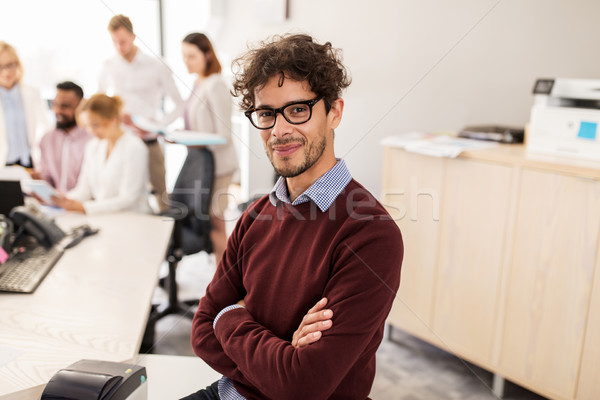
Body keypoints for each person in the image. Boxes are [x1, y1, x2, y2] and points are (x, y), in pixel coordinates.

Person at [184, 34, 403, 400]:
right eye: (267, 114)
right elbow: (202, 332)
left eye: (298, 110)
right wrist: (281, 359)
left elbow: (303, 385)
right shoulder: (255, 216)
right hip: (227, 394)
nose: (279, 130)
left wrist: (231, 317)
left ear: (334, 112)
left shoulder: (371, 234)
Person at [98, 14, 184, 212]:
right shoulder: (108, 67)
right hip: (121, 143)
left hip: (149, 141)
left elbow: (179, 105)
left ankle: (169, 241)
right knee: (124, 197)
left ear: (133, 37)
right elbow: (100, 105)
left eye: (123, 41)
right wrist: (116, 117)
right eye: (114, 42)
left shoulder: (157, 65)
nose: (119, 47)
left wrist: (158, 125)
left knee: (162, 200)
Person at [181, 32, 239, 263]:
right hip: (202, 163)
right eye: (184, 56)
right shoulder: (198, 83)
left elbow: (224, 134)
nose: (186, 61)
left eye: (192, 56)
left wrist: (190, 140)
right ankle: (221, 275)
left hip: (219, 165)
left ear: (207, 55)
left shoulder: (216, 84)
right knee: (209, 221)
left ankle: (224, 279)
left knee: (217, 221)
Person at [50, 94, 151, 215]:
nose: (91, 131)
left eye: (95, 125)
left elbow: (128, 198)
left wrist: (85, 208)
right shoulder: (93, 146)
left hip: (133, 216)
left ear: (113, 120)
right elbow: (84, 189)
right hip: (105, 216)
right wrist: (64, 200)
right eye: (87, 126)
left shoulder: (134, 147)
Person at [0, 41, 49, 168]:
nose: (6, 72)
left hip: (29, 163)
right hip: (3, 164)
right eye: (0, 67)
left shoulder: (32, 93)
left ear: (18, 64)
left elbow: (46, 128)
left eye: (10, 65)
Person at [37, 81, 91, 192]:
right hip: (53, 205)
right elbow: (46, 178)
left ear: (81, 106)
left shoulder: (92, 140)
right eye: (55, 104)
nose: (57, 111)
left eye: (65, 106)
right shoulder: (47, 139)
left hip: (84, 205)